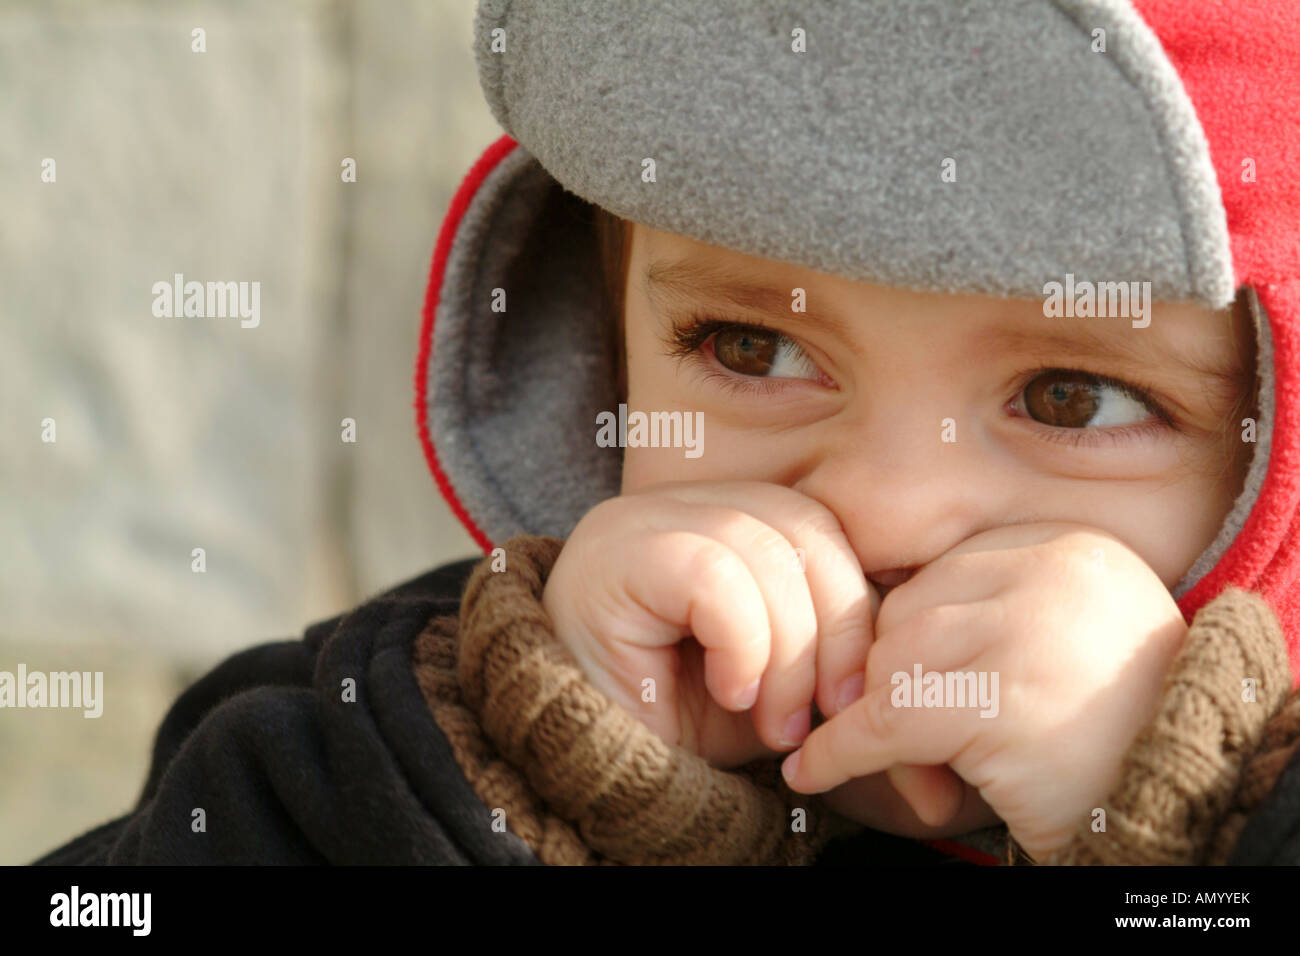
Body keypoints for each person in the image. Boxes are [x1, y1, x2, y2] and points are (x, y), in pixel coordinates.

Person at [35, 0, 1300, 865]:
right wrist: (540, 780)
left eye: (1073, 397)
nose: (887, 508)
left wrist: (1183, 828)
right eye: (752, 347)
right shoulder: (418, 711)